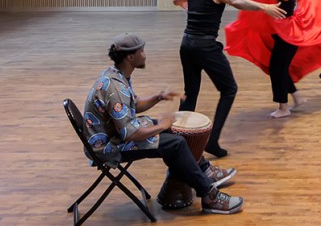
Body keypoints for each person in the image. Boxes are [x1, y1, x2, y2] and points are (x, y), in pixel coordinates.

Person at [81, 32, 243, 214]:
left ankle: (203, 170)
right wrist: (161, 126)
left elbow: (133, 105)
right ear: (130, 57)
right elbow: (130, 134)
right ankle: (209, 195)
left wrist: (159, 97)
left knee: (176, 132)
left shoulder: (115, 74)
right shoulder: (115, 88)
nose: (145, 54)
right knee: (176, 143)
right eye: (141, 51)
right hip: (107, 148)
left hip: (116, 136)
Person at [172, 0, 285, 159]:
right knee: (229, 89)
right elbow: (236, 1)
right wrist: (264, 7)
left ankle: (178, 140)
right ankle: (212, 141)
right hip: (205, 47)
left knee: (190, 92)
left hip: (186, 44)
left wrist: (184, 4)